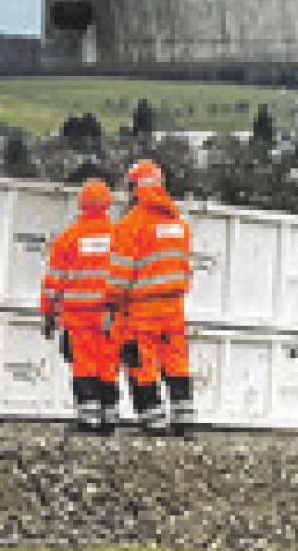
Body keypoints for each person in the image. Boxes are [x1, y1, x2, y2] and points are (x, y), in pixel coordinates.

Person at [106, 157, 195, 435]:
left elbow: (120, 274)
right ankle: (184, 419)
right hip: (174, 308)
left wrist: (112, 304)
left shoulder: (131, 224)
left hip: (142, 309)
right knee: (176, 362)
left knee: (141, 362)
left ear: (135, 187)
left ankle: (153, 420)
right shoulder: (178, 223)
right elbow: (184, 266)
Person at [39, 176, 122, 434]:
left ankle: (88, 419)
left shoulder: (68, 237)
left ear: (81, 203)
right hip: (110, 316)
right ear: (108, 203)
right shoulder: (120, 237)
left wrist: (48, 314)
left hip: (78, 316)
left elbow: (53, 282)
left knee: (84, 366)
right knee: (108, 366)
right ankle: (109, 418)